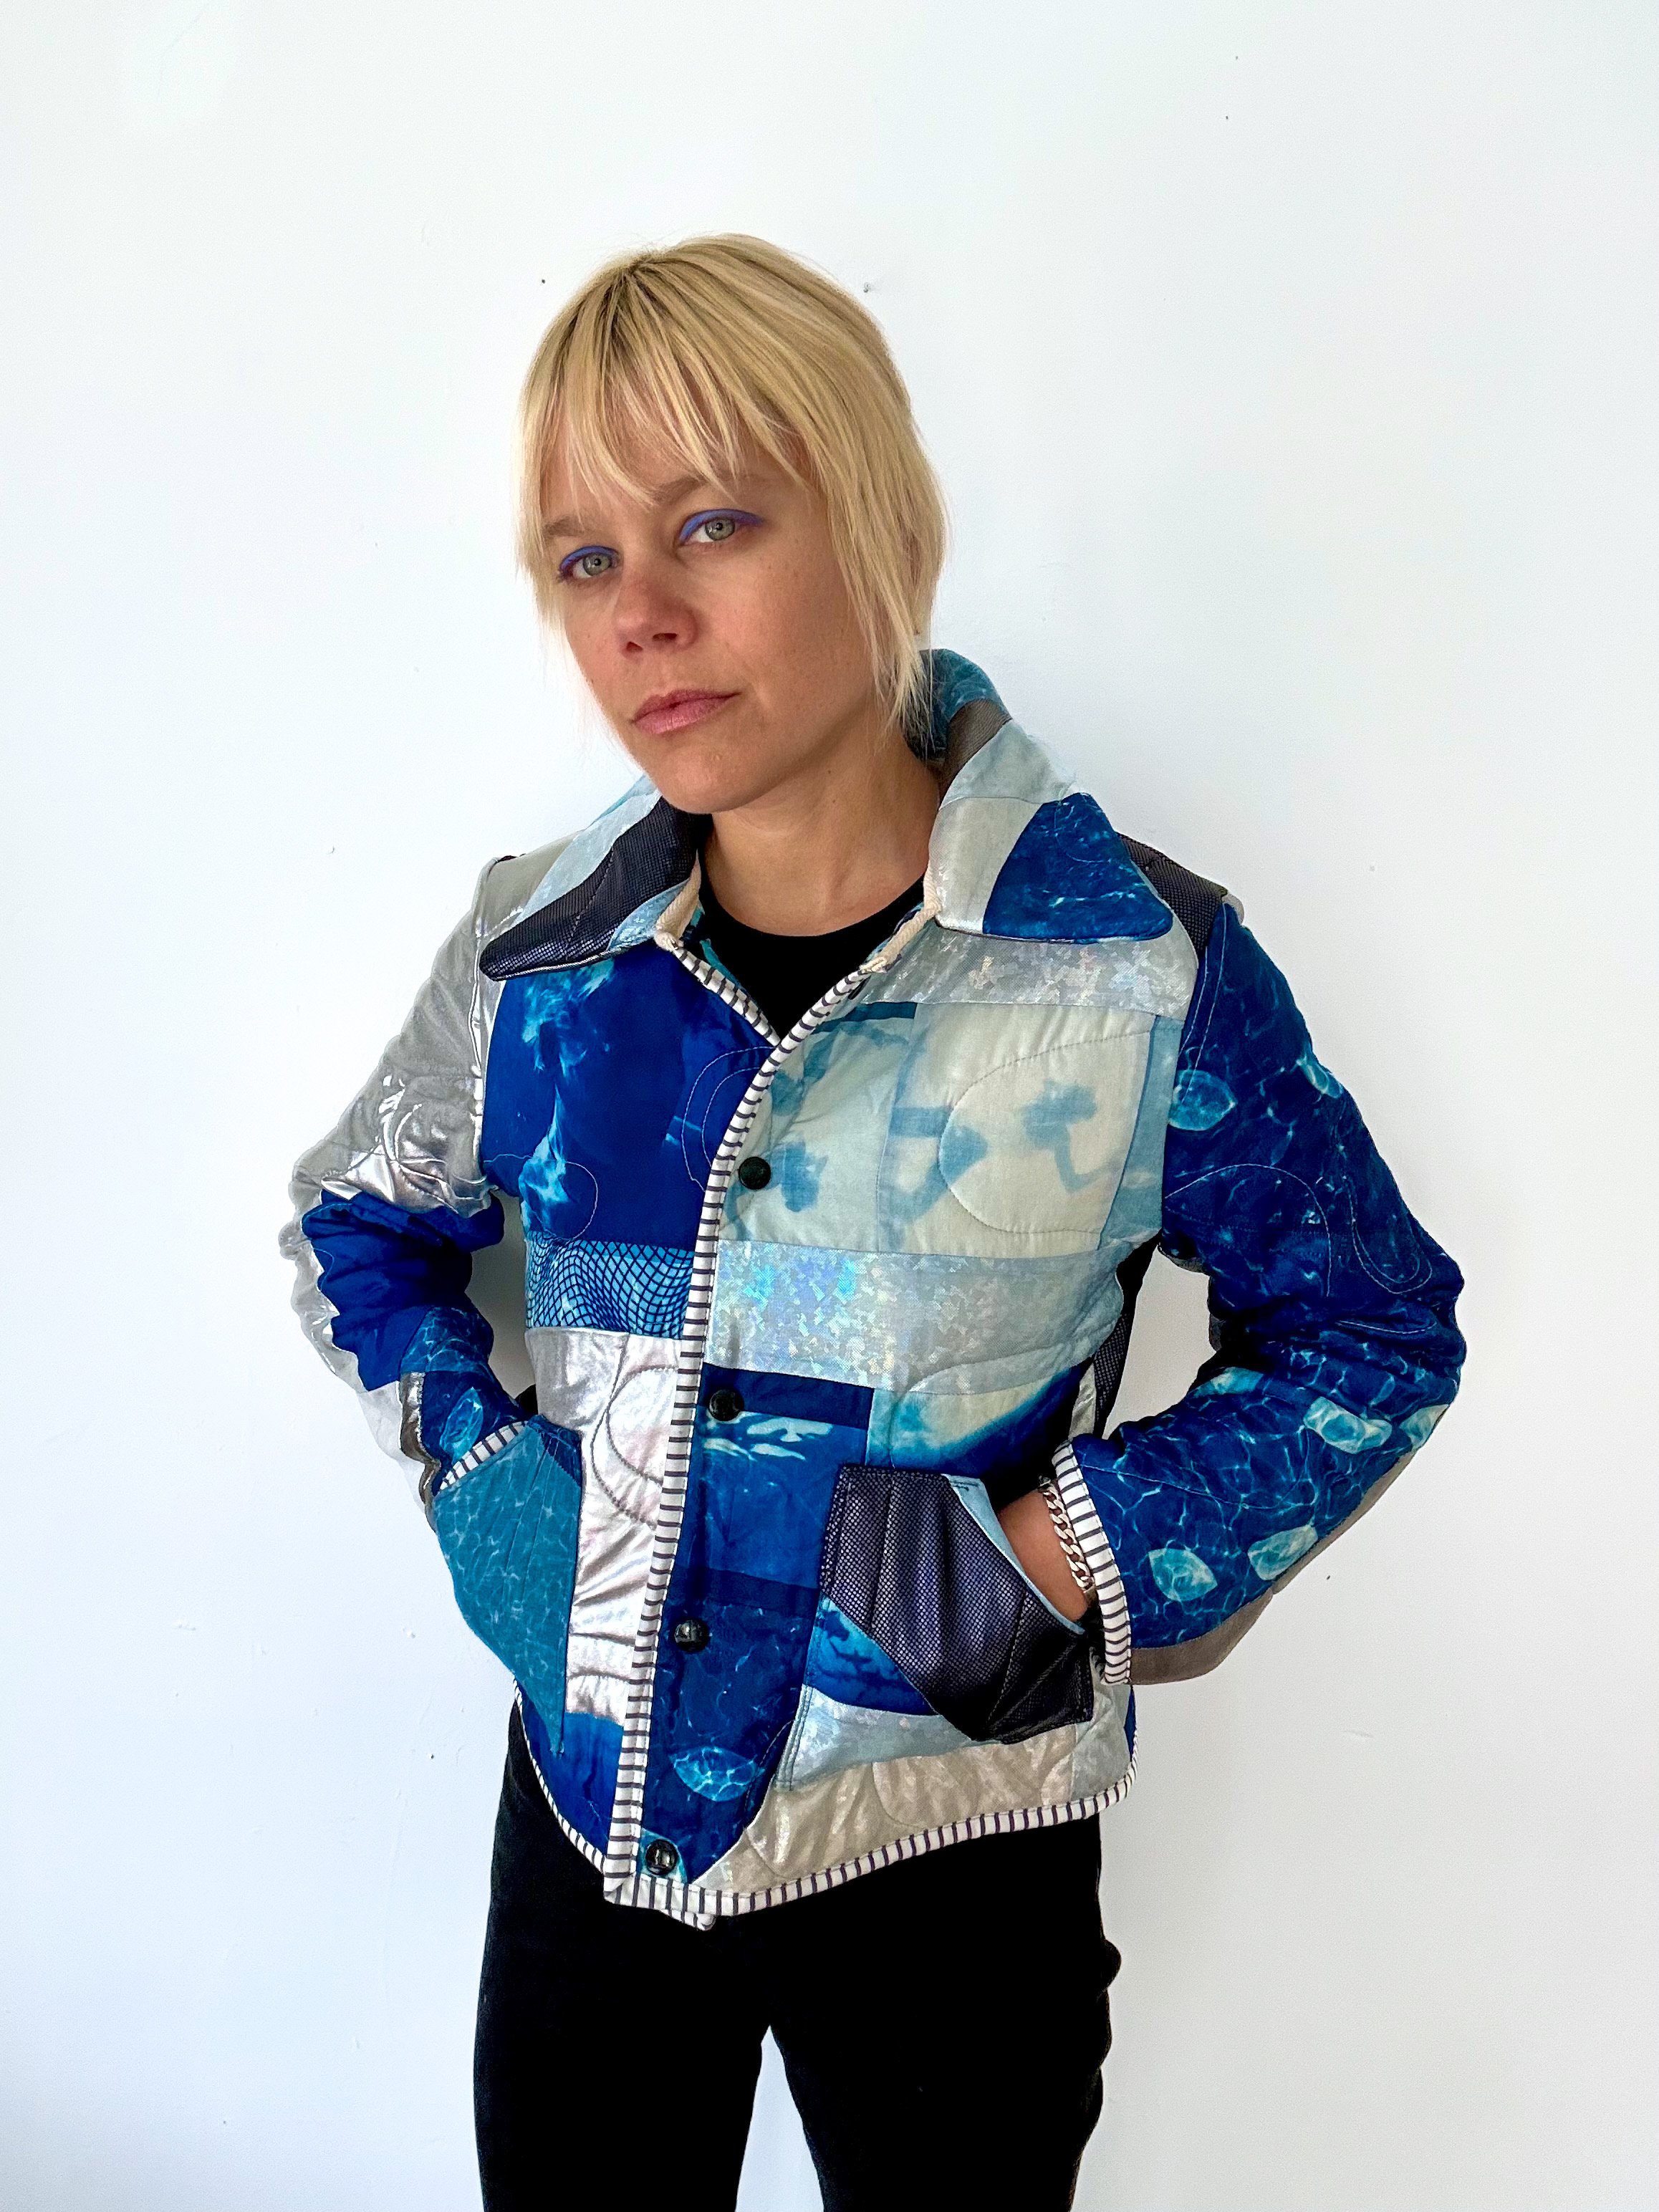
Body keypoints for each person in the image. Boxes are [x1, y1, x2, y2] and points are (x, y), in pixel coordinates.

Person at [280, 235, 1465, 2211]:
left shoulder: (1134, 966)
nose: (643, 616)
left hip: (953, 1846)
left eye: (712, 524)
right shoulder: (539, 958)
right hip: (591, 1827)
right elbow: (355, 1225)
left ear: (876, 518)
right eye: (583, 560)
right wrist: (498, 1501)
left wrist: (1046, 1560)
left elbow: (1371, 1332)